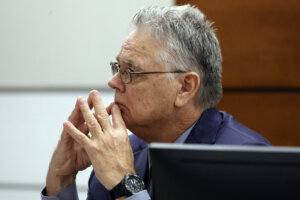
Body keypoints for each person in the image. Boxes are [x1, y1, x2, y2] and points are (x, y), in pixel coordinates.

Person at [41, 4, 271, 200]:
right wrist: (61, 180)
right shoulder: (118, 152)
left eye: (130, 71)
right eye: (117, 68)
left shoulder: (247, 165)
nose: (113, 82)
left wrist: (124, 183)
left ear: (184, 87)